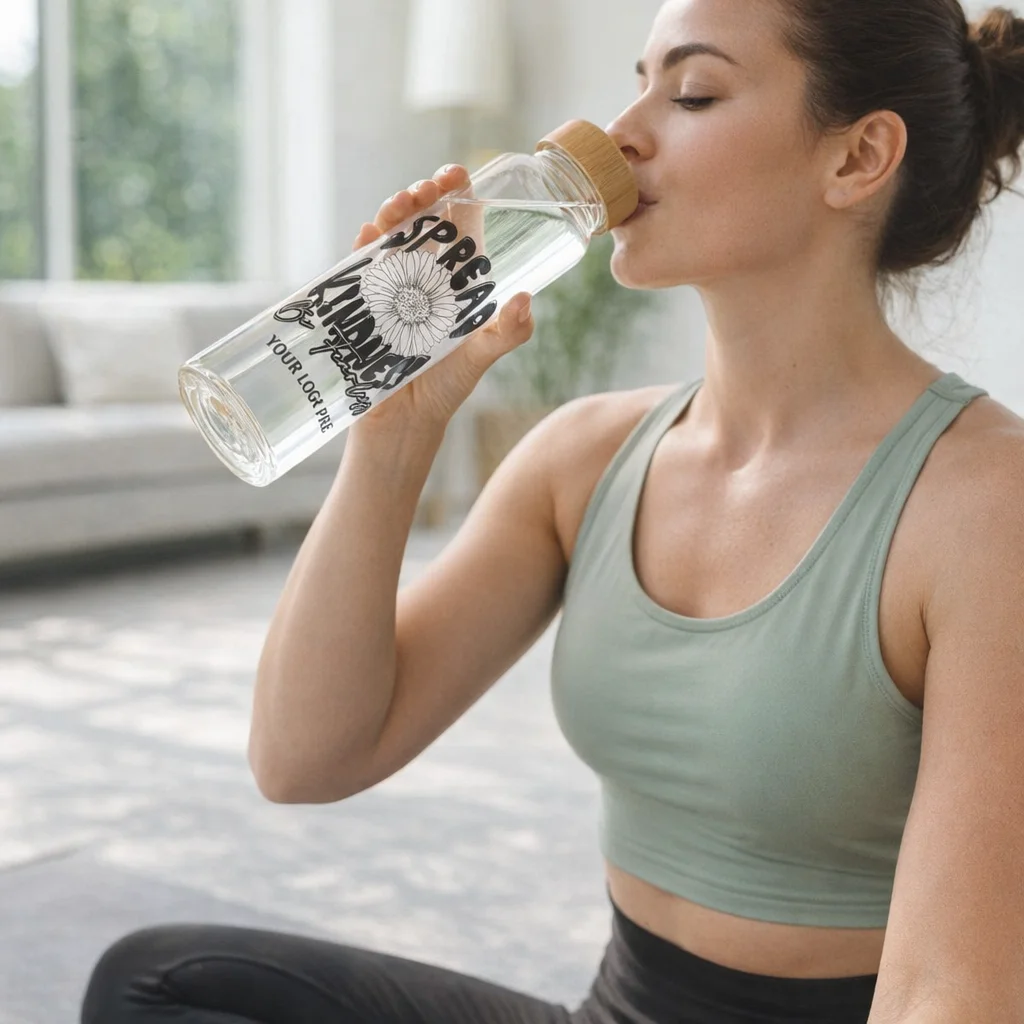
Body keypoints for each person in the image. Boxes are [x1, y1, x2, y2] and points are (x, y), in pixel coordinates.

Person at [81, 0, 1024, 1021]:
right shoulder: (585, 458)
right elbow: (304, 756)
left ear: (857, 157)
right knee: (160, 985)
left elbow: (949, 993)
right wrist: (393, 440)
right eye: (639, 80)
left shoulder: (982, 504)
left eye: (693, 91)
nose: (623, 130)